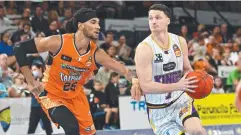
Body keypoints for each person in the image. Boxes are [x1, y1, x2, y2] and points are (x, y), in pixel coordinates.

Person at [14, 8, 139, 135]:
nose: (98, 27)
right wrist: (30, 81)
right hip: (51, 94)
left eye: (98, 23)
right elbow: (19, 48)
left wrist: (134, 80)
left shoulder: (97, 53)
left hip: (76, 96)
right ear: (80, 25)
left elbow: (124, 70)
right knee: (72, 128)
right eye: (93, 22)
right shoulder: (58, 42)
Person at [133, 4, 206, 135]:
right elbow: (146, 86)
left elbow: (187, 69)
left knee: (197, 131)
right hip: (159, 110)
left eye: (158, 17)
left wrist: (199, 78)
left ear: (168, 20)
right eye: (150, 18)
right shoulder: (144, 48)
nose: (154, 21)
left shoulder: (180, 41)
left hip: (181, 102)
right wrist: (178, 85)